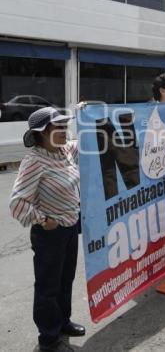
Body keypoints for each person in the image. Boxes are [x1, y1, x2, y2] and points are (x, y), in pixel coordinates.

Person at [10, 107, 85, 352]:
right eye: (58, 128)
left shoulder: (64, 151)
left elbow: (84, 140)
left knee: (66, 279)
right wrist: (43, 220)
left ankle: (62, 323)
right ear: (42, 133)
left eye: (65, 126)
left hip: (70, 228)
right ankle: (49, 338)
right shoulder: (34, 161)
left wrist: (85, 113)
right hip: (50, 233)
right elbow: (17, 203)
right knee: (48, 286)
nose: (64, 131)